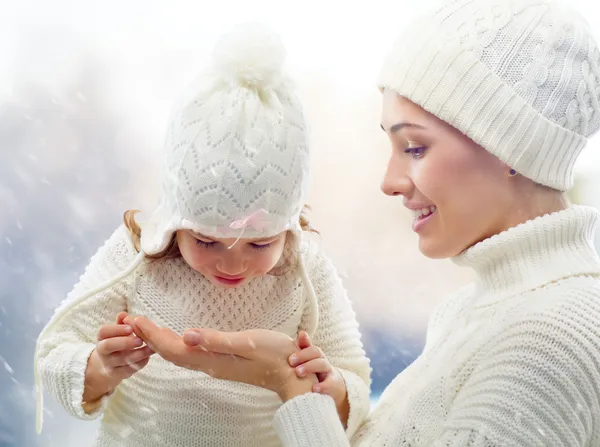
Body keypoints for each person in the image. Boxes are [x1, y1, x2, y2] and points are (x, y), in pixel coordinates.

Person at [131, 0, 600, 445]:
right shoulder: (475, 311)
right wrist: (323, 394)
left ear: (512, 145)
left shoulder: (548, 341)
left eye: (414, 147)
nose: (390, 182)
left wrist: (288, 385)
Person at [33, 23, 371, 446]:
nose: (232, 263)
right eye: (206, 241)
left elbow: (356, 389)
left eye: (260, 243)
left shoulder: (305, 270)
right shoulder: (136, 254)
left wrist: (332, 386)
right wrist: (97, 369)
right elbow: (52, 355)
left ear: (287, 226)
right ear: (175, 218)